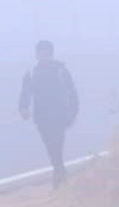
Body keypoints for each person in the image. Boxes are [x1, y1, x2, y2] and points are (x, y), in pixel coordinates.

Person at [19, 40, 79, 187]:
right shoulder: (32, 73)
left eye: (47, 54)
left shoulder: (61, 71)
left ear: (51, 54)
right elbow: (25, 92)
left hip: (60, 116)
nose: (44, 57)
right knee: (51, 147)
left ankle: (58, 177)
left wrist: (72, 114)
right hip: (41, 119)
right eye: (41, 54)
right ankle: (60, 173)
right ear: (37, 55)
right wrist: (23, 108)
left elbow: (72, 93)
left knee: (57, 145)